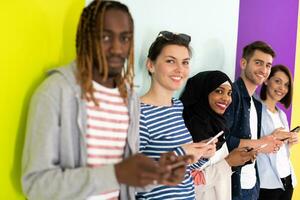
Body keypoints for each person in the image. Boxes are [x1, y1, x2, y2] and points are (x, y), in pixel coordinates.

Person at [21, 1, 187, 200]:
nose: (117, 48)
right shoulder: (56, 92)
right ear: (86, 38)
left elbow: (127, 182)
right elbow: (36, 186)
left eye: (124, 38)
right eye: (106, 37)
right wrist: (115, 174)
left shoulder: (129, 99)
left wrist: (159, 174)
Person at [135, 31, 217, 199]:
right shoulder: (139, 113)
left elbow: (183, 171)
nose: (180, 69)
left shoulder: (176, 107)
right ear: (150, 65)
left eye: (185, 62)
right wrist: (180, 155)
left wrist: (201, 154)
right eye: (170, 61)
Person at [180, 70, 256, 200]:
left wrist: (237, 160)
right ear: (203, 92)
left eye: (229, 93)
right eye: (219, 91)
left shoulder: (219, 127)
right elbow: (186, 183)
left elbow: (220, 173)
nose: (226, 98)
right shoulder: (184, 130)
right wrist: (227, 163)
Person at [224, 41, 284, 200]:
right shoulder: (231, 95)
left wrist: (270, 141)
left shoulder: (256, 104)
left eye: (268, 65)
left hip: (252, 186)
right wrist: (261, 144)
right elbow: (223, 141)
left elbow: (252, 142)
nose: (264, 70)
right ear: (243, 63)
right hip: (233, 187)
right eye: (258, 63)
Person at [257, 65, 298, 200]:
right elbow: (249, 147)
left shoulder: (282, 115)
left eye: (286, 85)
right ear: (267, 80)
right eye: (278, 81)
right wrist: (274, 137)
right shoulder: (256, 111)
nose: (282, 88)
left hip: (287, 180)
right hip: (267, 183)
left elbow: (282, 150)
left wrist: (290, 142)